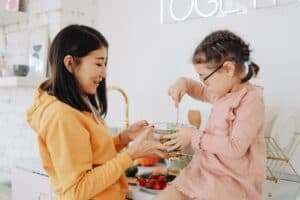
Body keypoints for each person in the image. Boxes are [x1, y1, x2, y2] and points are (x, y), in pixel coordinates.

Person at [26, 24, 165, 200]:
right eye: (99, 64)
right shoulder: (61, 116)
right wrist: (130, 155)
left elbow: (93, 155)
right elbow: (76, 191)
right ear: (70, 63)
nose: (104, 73)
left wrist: (124, 138)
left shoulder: (75, 105)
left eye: (105, 64)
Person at [155, 30, 266, 200]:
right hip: (202, 174)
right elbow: (198, 90)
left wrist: (193, 136)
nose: (203, 84)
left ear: (228, 69)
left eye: (205, 78)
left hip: (230, 183)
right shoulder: (222, 91)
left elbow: (235, 148)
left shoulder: (251, 101)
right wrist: (183, 82)